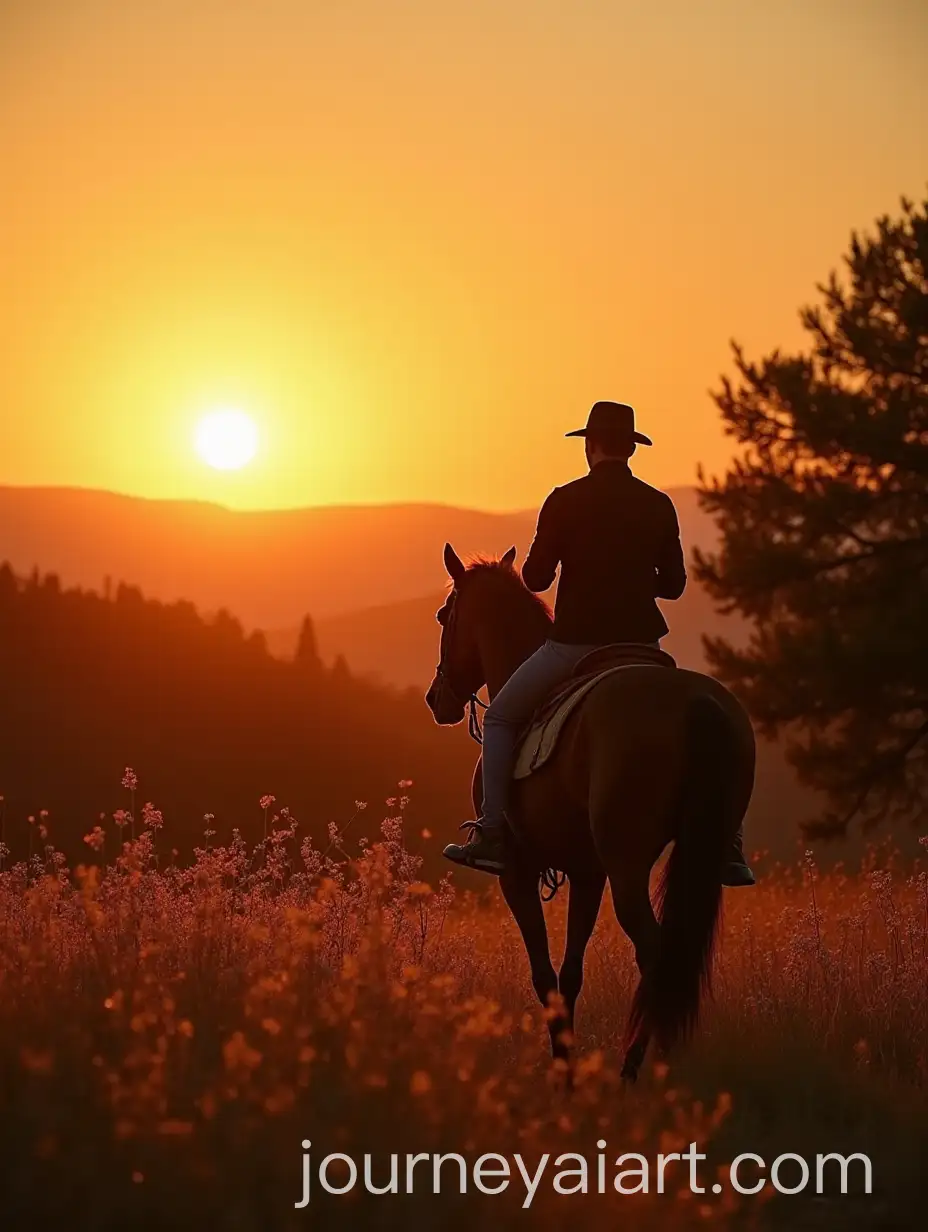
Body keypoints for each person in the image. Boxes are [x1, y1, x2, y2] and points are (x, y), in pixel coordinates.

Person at [442, 400, 755, 886]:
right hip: (644, 647)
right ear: (631, 449)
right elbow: (674, 585)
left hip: (574, 645)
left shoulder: (564, 500)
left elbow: (536, 578)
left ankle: (492, 833)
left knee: (500, 718)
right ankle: (728, 841)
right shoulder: (658, 504)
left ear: (589, 446)